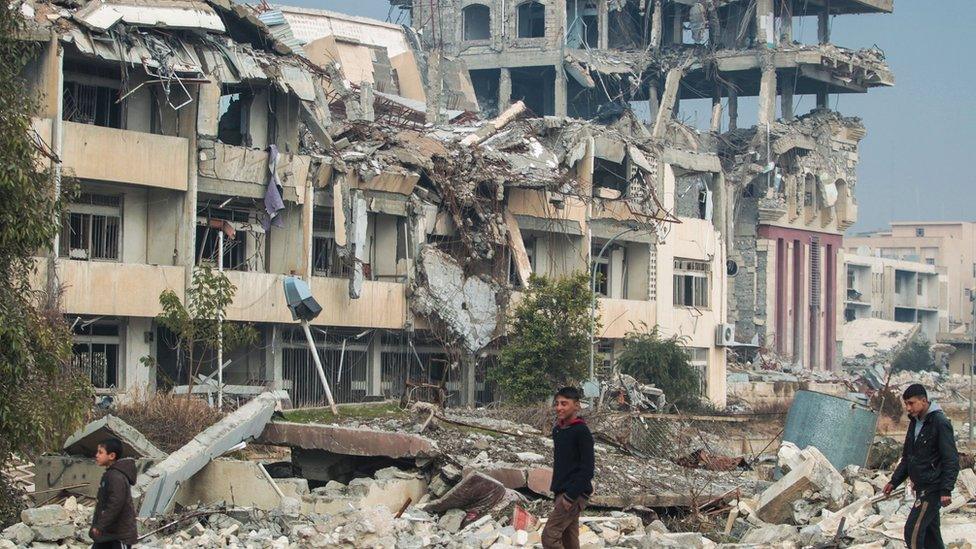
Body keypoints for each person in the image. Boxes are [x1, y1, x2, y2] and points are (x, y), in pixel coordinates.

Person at [882, 384, 959, 549]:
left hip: (932, 488)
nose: (908, 408)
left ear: (923, 401)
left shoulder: (940, 423)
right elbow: (909, 458)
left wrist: (946, 490)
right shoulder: (915, 423)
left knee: (913, 531)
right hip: (921, 486)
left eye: (911, 403)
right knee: (932, 537)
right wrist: (894, 481)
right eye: (906, 404)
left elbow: (951, 459)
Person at [541, 387, 595, 549]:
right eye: (557, 403)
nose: (559, 407)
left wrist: (570, 496)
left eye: (564, 403)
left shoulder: (581, 431)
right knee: (569, 540)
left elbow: (587, 469)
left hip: (573, 494)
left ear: (577, 406)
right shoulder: (558, 430)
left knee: (549, 537)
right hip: (561, 491)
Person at [91, 438, 138, 548]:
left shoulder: (116, 477)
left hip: (119, 535)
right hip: (107, 533)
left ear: (111, 456)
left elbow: (115, 504)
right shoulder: (110, 474)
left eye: (100, 452)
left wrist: (100, 525)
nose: (96, 455)